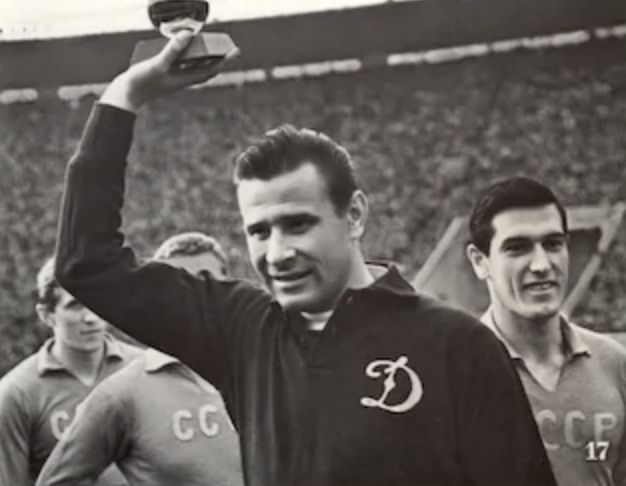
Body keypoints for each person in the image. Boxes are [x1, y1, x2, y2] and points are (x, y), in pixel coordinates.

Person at [54, 32, 556, 486]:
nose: (277, 253)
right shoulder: (241, 332)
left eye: (298, 225)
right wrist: (126, 94)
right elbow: (87, 263)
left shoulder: (459, 345)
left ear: (354, 216)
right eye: (259, 231)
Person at [37, 232, 243, 486]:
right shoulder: (121, 394)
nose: (193, 295)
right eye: (176, 284)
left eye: (205, 280)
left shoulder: (266, 370)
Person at [466, 177, 626, 486]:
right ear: (479, 261)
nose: (541, 265)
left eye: (553, 244)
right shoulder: (456, 370)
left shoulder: (614, 363)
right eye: (517, 248)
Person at [0, 257, 140, 486]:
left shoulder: (142, 369)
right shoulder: (18, 393)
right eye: (75, 305)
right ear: (47, 315)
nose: (91, 317)